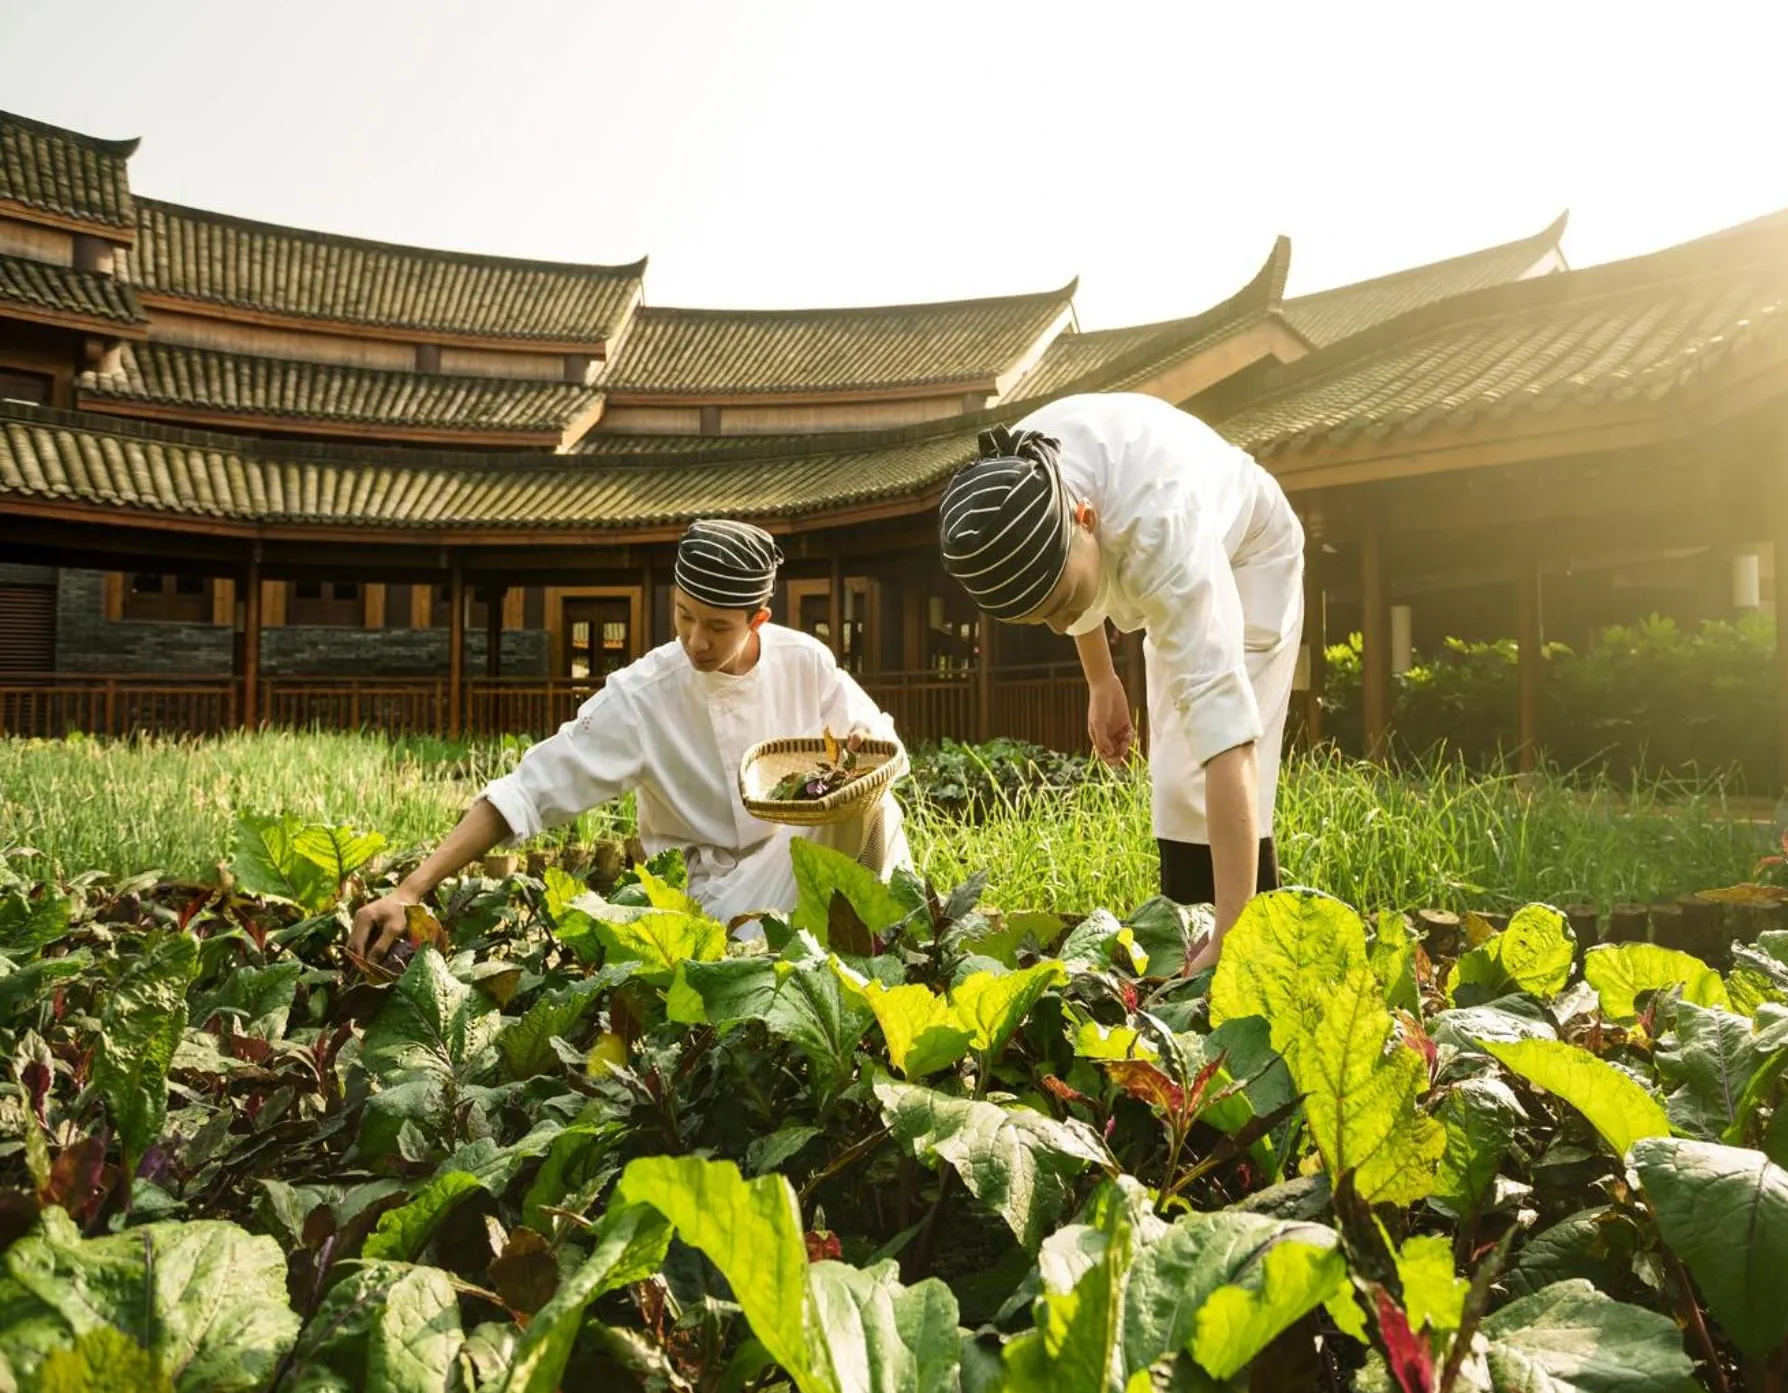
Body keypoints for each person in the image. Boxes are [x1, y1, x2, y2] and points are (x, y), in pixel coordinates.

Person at [349, 519, 911, 960]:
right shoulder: (644, 694)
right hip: (707, 897)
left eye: (718, 626)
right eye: (684, 616)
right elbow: (526, 791)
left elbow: (875, 744)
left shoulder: (804, 660)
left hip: (789, 863)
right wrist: (409, 890)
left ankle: (875, 954)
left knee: (875, 807)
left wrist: (861, 742)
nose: (696, 641)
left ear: (757, 619)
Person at [939, 392, 1304, 974]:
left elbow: (1227, 736)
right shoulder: (1010, 488)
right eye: (1039, 620)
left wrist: (1230, 937)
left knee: (1212, 759)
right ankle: (1187, 945)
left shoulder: (1162, 531)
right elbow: (1065, 584)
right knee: (1175, 783)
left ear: (1085, 519)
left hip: (1251, 549)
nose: (1060, 625)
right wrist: (1101, 678)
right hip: (1139, 544)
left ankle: (1244, 953)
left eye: (1064, 604)